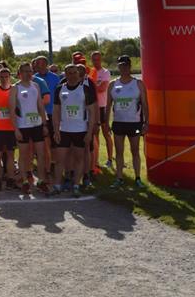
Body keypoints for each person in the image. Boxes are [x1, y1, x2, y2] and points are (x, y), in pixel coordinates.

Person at [52, 64, 98, 196]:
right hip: (64, 130)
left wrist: (89, 132)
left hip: (81, 130)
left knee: (79, 159)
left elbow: (92, 112)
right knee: (60, 159)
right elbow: (56, 111)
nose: (72, 75)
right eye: (69, 73)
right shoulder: (60, 88)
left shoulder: (85, 89)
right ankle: (57, 185)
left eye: (74, 73)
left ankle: (76, 185)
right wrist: (56, 130)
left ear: (78, 74)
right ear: (65, 74)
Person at [106, 55, 149, 188]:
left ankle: (137, 178)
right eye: (121, 66)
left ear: (130, 67)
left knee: (135, 150)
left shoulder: (138, 84)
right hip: (118, 123)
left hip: (134, 123)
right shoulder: (112, 84)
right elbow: (108, 106)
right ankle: (119, 178)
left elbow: (145, 104)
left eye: (126, 66)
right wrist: (106, 123)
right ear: (118, 67)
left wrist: (146, 122)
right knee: (119, 151)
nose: (124, 68)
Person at [8, 62, 49, 195]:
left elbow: (40, 106)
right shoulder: (15, 88)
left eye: (30, 71)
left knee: (41, 154)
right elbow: (11, 110)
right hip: (23, 126)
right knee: (24, 155)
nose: (28, 73)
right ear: (20, 73)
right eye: (25, 71)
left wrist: (44, 124)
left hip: (37, 125)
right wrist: (16, 129)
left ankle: (41, 181)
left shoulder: (36, 86)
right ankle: (25, 181)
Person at [90, 50, 114, 173]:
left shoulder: (105, 72)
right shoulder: (90, 72)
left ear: (101, 59)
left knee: (106, 133)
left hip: (102, 106)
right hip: (93, 107)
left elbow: (102, 88)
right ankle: (96, 160)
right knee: (95, 134)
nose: (96, 62)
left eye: (98, 59)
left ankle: (110, 159)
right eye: (94, 59)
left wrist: (92, 84)